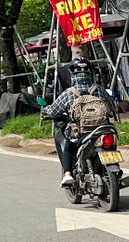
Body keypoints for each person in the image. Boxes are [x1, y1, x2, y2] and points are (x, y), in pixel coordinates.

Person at [44, 58, 116, 188]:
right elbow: (112, 107)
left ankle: (67, 174)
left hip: (80, 133)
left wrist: (45, 110)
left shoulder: (69, 93)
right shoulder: (99, 89)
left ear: (72, 74)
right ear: (90, 73)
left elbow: (54, 111)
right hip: (102, 130)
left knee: (68, 146)